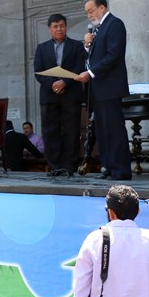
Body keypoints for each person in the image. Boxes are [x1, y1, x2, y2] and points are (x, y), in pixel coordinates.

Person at [75, 0, 132, 181]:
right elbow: (94, 57)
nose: (89, 15)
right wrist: (87, 46)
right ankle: (108, 167)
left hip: (110, 87)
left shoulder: (115, 24)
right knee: (102, 130)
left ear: (102, 7)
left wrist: (90, 73)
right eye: (87, 13)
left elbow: (114, 55)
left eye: (91, 11)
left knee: (114, 129)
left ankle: (120, 170)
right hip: (98, 89)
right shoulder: (99, 29)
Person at [34, 13, 86, 176]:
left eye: (62, 26)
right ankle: (55, 166)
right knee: (51, 131)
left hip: (71, 93)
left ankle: (69, 166)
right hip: (49, 95)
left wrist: (64, 82)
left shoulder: (77, 46)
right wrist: (52, 84)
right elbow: (38, 71)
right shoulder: (42, 48)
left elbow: (80, 66)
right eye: (55, 26)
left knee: (71, 130)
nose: (59, 29)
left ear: (66, 27)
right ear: (50, 29)